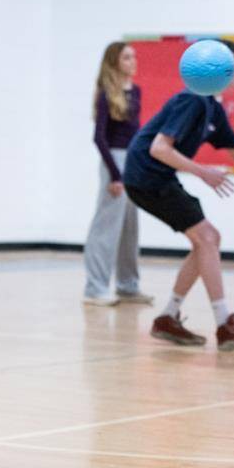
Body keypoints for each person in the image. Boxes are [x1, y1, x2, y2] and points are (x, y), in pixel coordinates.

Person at [122, 40, 234, 349]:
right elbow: (159, 148)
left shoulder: (212, 107)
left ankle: (169, 317)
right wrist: (202, 172)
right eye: (231, 63)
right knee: (207, 238)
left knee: (207, 240)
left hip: (156, 178)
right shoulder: (191, 100)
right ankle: (224, 324)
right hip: (147, 177)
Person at [82, 41, 152, 306]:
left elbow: (136, 133)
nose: (133, 61)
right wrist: (115, 174)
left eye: (133, 57)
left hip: (133, 162)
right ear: (114, 62)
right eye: (126, 57)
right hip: (114, 162)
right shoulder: (105, 94)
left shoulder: (137, 91)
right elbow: (99, 138)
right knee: (106, 226)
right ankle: (95, 288)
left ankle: (128, 285)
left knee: (130, 226)